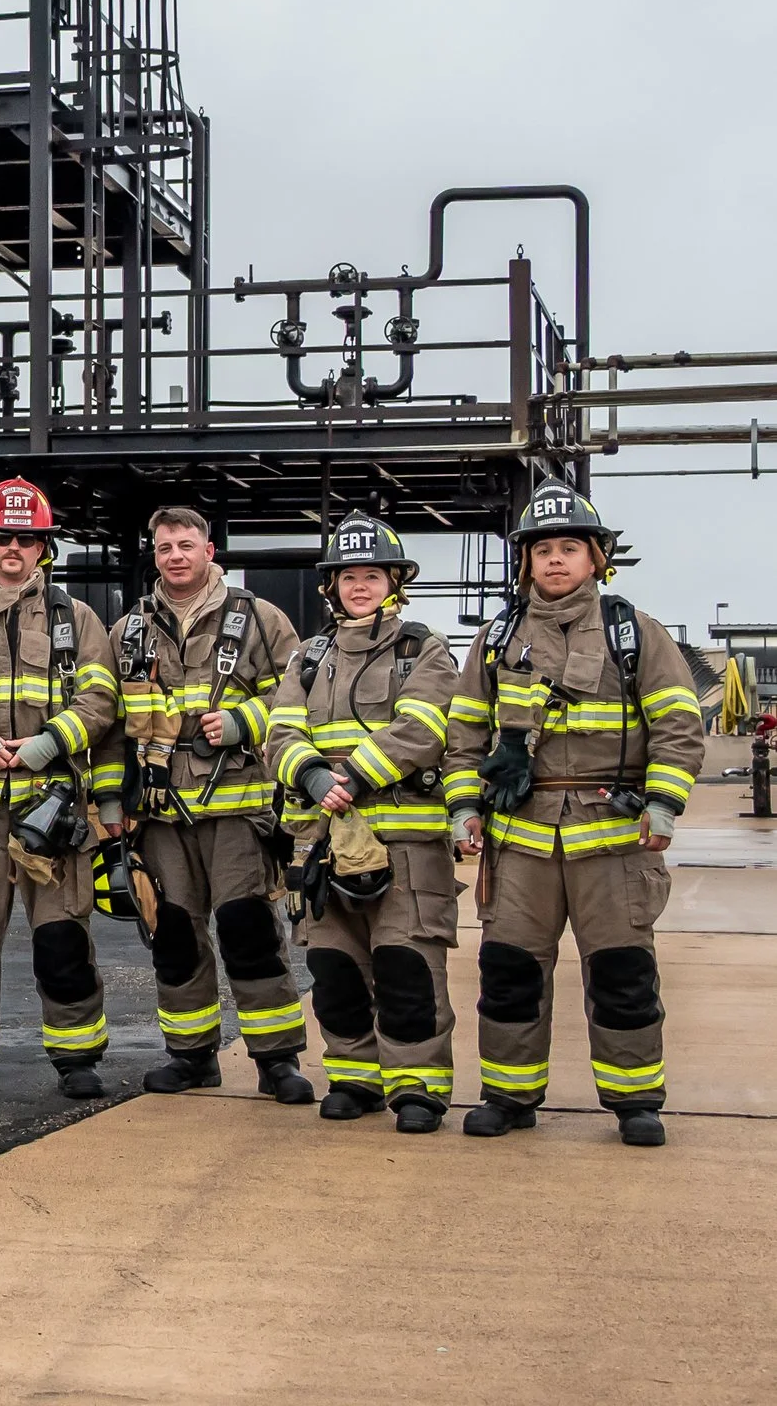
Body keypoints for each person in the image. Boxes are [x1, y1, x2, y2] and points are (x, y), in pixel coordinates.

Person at [447, 480, 705, 1147]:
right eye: (542, 550)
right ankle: (508, 1095)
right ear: (526, 563)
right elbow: (463, 736)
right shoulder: (497, 636)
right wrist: (464, 808)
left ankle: (635, 1100)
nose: (555, 560)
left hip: (612, 837)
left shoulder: (634, 632)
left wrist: (664, 805)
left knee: (622, 971)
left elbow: (679, 725)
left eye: (569, 548)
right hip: (520, 841)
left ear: (596, 559)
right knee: (509, 972)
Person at [263, 513, 464, 1132]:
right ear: (332, 585)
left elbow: (426, 727)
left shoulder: (423, 649)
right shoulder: (308, 656)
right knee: (336, 970)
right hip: (323, 844)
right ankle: (353, 1077)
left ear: (394, 582)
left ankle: (419, 1089)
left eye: (371, 575)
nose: (358, 586)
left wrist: (349, 777)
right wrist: (312, 777)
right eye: (348, 576)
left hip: (404, 841)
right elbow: (279, 730)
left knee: (407, 965)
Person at [0, 478, 120, 1103]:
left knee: (62, 942)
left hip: (51, 816)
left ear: (45, 548)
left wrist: (47, 744)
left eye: (27, 538)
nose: (14, 547)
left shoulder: (76, 618)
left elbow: (100, 698)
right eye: (3, 536)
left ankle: (76, 1057)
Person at [112, 505, 311, 1100]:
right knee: (174, 935)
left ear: (209, 550)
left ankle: (278, 1061)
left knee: (247, 928)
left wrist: (245, 719)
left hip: (237, 810)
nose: (176, 555)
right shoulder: (129, 630)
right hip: (160, 815)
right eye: (165, 545)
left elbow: (302, 694)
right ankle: (192, 1055)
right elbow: (112, 720)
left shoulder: (260, 619)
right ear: (155, 553)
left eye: (186, 544)